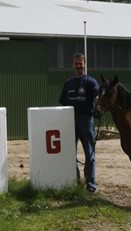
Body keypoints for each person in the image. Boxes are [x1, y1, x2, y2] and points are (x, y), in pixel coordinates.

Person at [59, 52, 99, 193]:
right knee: (71, 153)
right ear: (72, 65)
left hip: (86, 120)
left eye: (80, 64)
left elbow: (98, 96)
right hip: (70, 120)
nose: (78, 66)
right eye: (76, 64)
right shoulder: (68, 83)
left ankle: (90, 185)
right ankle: (75, 181)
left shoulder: (90, 82)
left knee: (89, 153)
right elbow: (62, 103)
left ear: (84, 64)